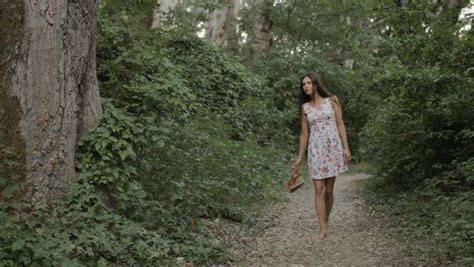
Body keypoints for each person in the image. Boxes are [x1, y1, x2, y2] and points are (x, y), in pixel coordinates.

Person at [292, 72, 351, 240]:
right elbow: (304, 134)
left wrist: (346, 147)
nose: (306, 86)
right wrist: (299, 157)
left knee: (329, 190)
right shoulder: (305, 108)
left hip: (332, 148)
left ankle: (326, 219)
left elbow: (340, 124)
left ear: (316, 84)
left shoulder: (332, 100)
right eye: (304, 84)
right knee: (319, 189)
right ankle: (322, 227)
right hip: (316, 150)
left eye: (309, 83)